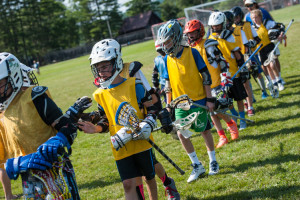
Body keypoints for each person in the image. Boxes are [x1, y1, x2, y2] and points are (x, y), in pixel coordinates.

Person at [0, 52, 91, 199]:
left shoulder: (35, 97)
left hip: (56, 171)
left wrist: (58, 140)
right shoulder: (3, 112)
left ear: (13, 76)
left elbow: (68, 126)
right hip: (28, 179)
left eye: (0, 83)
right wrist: (16, 164)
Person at [78, 39, 160, 200]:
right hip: (120, 144)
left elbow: (152, 109)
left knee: (149, 177)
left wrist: (148, 123)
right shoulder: (99, 94)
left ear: (117, 62)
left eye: (105, 66)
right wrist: (96, 129)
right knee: (128, 184)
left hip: (141, 141)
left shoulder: (134, 84)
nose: (101, 71)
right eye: (98, 68)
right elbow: (106, 120)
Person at [157, 19, 219, 183]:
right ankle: (197, 165)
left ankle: (213, 161)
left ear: (176, 38)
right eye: (163, 42)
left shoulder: (192, 53)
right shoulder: (166, 59)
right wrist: (168, 105)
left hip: (198, 99)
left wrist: (210, 99)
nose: (165, 45)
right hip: (179, 103)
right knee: (181, 134)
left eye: (168, 41)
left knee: (204, 131)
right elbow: (167, 85)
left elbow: (206, 77)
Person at [183, 19, 239, 148]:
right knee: (211, 112)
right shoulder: (189, 49)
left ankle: (231, 125)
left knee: (219, 110)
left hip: (216, 83)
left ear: (200, 32)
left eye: (193, 32)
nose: (190, 35)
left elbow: (222, 62)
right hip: (202, 86)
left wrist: (225, 78)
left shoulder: (208, 44)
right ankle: (222, 136)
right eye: (188, 33)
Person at [207, 11, 248, 130]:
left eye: (218, 25)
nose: (215, 28)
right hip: (221, 76)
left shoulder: (229, 36)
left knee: (239, 98)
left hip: (234, 73)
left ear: (223, 24)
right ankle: (234, 116)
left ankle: (242, 119)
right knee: (227, 100)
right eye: (214, 26)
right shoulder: (210, 39)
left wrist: (243, 68)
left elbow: (237, 54)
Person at [231, 6, 269, 100]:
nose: (235, 20)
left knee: (257, 73)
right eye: (234, 18)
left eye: (237, 17)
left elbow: (257, 38)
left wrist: (253, 42)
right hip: (240, 56)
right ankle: (251, 97)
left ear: (240, 16)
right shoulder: (232, 28)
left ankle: (264, 91)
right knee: (245, 78)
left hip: (251, 54)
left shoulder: (248, 25)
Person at [250, 9, 283, 98]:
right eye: (253, 18)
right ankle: (274, 83)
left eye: (256, 17)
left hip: (270, 47)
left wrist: (280, 34)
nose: (255, 19)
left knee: (272, 65)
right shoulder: (252, 28)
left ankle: (279, 80)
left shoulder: (266, 23)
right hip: (261, 50)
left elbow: (279, 27)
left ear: (260, 17)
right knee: (267, 67)